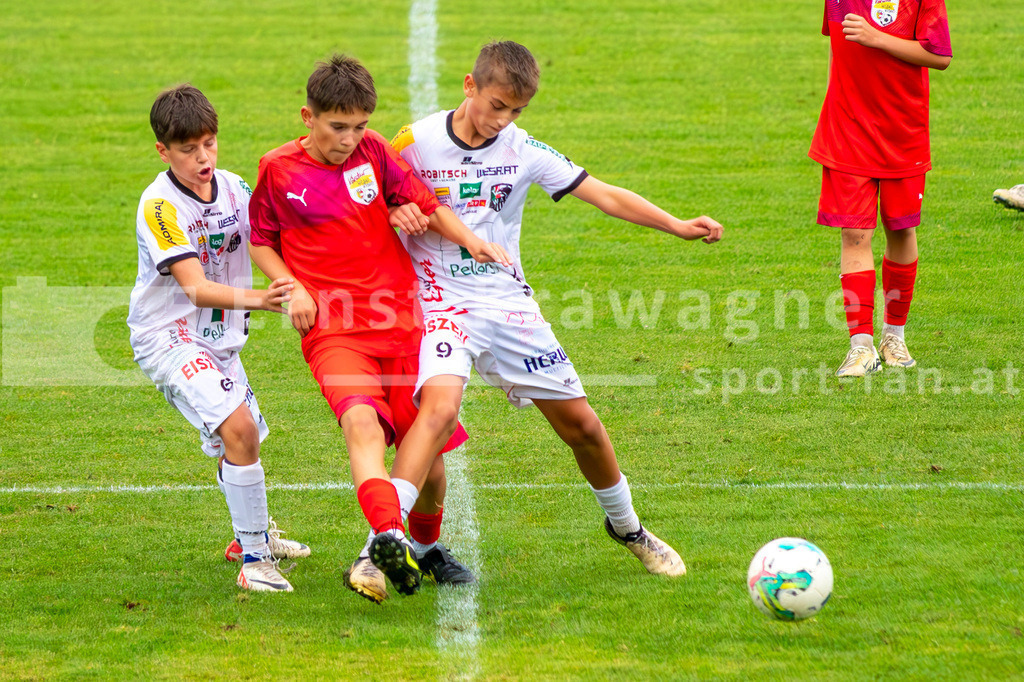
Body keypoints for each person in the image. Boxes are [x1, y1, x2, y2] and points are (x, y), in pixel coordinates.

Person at [385, 40, 723, 578]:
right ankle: (383, 543)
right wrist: (396, 211)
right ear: (470, 87)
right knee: (439, 413)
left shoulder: (522, 149)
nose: (504, 120)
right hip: (436, 303)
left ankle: (628, 527)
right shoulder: (413, 143)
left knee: (582, 427)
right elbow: (366, 198)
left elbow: (604, 194)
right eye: (497, 105)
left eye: (516, 111)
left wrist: (678, 225)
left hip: (506, 302)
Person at [247, 55, 511, 603]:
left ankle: (425, 547)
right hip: (334, 330)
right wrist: (291, 285)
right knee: (362, 428)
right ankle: (385, 536)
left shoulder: (375, 154)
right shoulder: (277, 169)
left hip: (402, 322)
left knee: (432, 462)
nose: (349, 139)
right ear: (308, 117)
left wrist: (460, 235)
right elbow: (261, 239)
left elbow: (419, 203)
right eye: (337, 127)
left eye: (360, 126)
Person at [127, 84, 310, 593]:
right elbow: (195, 287)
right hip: (169, 337)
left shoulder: (231, 186)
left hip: (219, 340)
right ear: (163, 151)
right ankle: (254, 562)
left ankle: (249, 538)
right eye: (188, 150)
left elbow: (269, 236)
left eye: (209, 143)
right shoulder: (159, 207)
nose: (203, 158)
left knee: (246, 437)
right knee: (240, 431)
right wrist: (266, 299)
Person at [808, 0, 952, 377]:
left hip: (901, 131)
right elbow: (837, 51)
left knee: (901, 227)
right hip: (847, 130)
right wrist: (831, 108)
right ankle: (861, 347)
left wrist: (878, 38)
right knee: (854, 232)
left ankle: (894, 336)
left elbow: (939, 56)